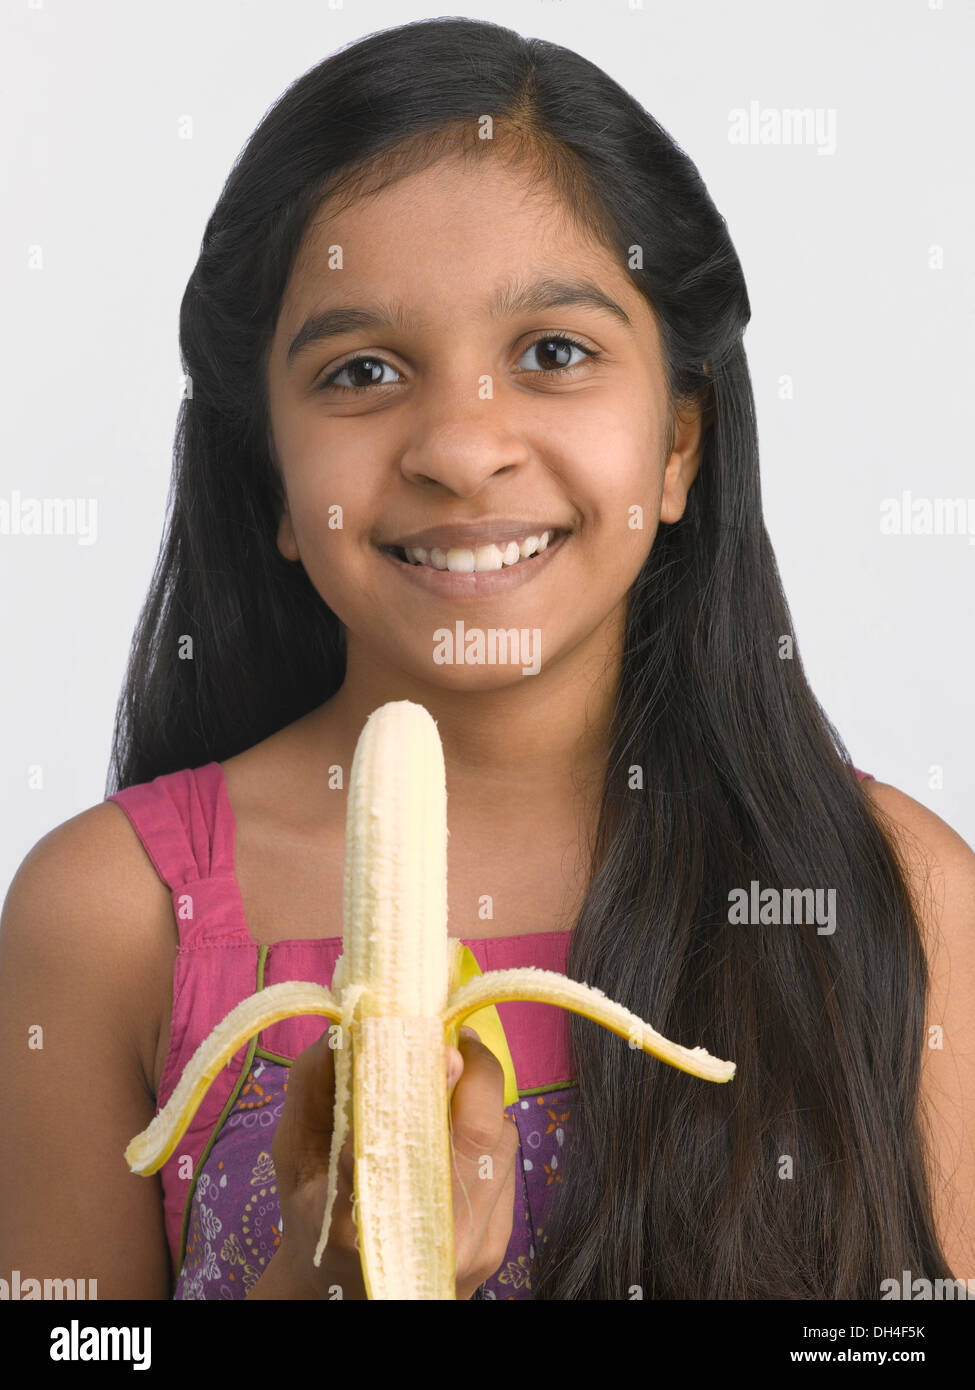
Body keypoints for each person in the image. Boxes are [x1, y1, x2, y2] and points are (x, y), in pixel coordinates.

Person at [2, 16, 972, 1302]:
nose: (462, 448)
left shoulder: (891, 891)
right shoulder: (110, 916)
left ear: (680, 443)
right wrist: (324, 1281)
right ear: (274, 486)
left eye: (554, 355)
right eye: (362, 370)